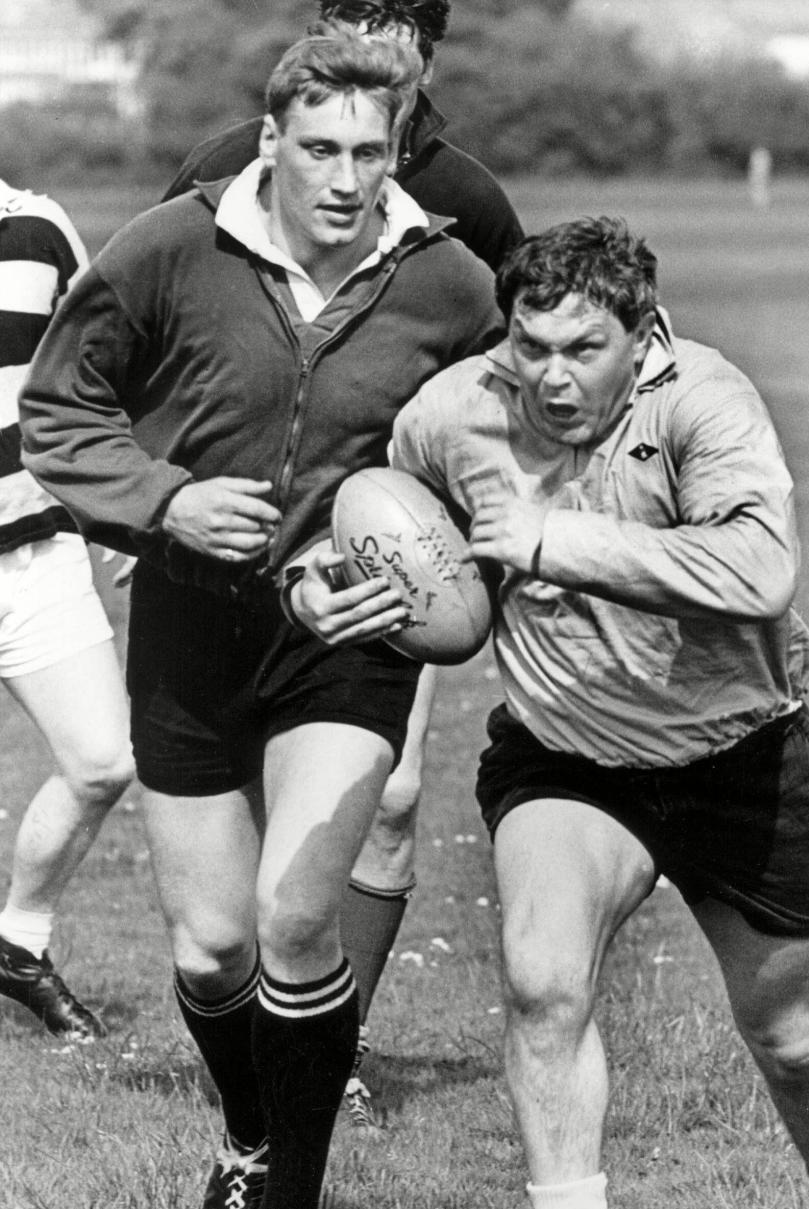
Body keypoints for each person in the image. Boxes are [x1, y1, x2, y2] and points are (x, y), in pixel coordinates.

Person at [21, 34, 501, 1209]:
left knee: (295, 918)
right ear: (273, 139)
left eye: (370, 154)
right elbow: (57, 410)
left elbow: (495, 449)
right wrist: (165, 502)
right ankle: (248, 1135)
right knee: (215, 948)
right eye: (322, 149)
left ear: (399, 154)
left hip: (347, 635)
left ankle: (291, 1192)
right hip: (190, 625)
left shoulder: (448, 283)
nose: (345, 179)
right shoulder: (171, 248)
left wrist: (426, 551)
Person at [384, 217, 809, 1209]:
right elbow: (391, 537)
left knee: (789, 1041)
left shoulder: (706, 398)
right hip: (564, 753)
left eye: (582, 349)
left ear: (642, 334)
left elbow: (761, 568)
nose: (551, 376)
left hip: (739, 750)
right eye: (530, 346)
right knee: (542, 983)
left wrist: (552, 540)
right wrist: (339, 592)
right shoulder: (450, 415)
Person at [164, 0, 523, 1130]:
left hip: (375, 551)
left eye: (399, 20)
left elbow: (511, 372)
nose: (379, 35)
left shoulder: (466, 198)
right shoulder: (223, 167)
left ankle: (332, 1045)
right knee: (236, 892)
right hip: (227, 570)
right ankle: (272, 1062)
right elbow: (167, 338)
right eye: (353, 13)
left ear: (429, 49)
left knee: (397, 798)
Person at [0, 180, 134, 1042]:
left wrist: (122, 512)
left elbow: (101, 374)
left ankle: (18, 943)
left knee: (103, 759)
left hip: (30, 552)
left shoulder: (38, 226)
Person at [163, 0, 523, 275]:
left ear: (427, 68)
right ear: (317, 51)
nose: (371, 82)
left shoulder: (468, 197)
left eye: (392, 64)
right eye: (354, 58)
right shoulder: (224, 165)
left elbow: (524, 329)